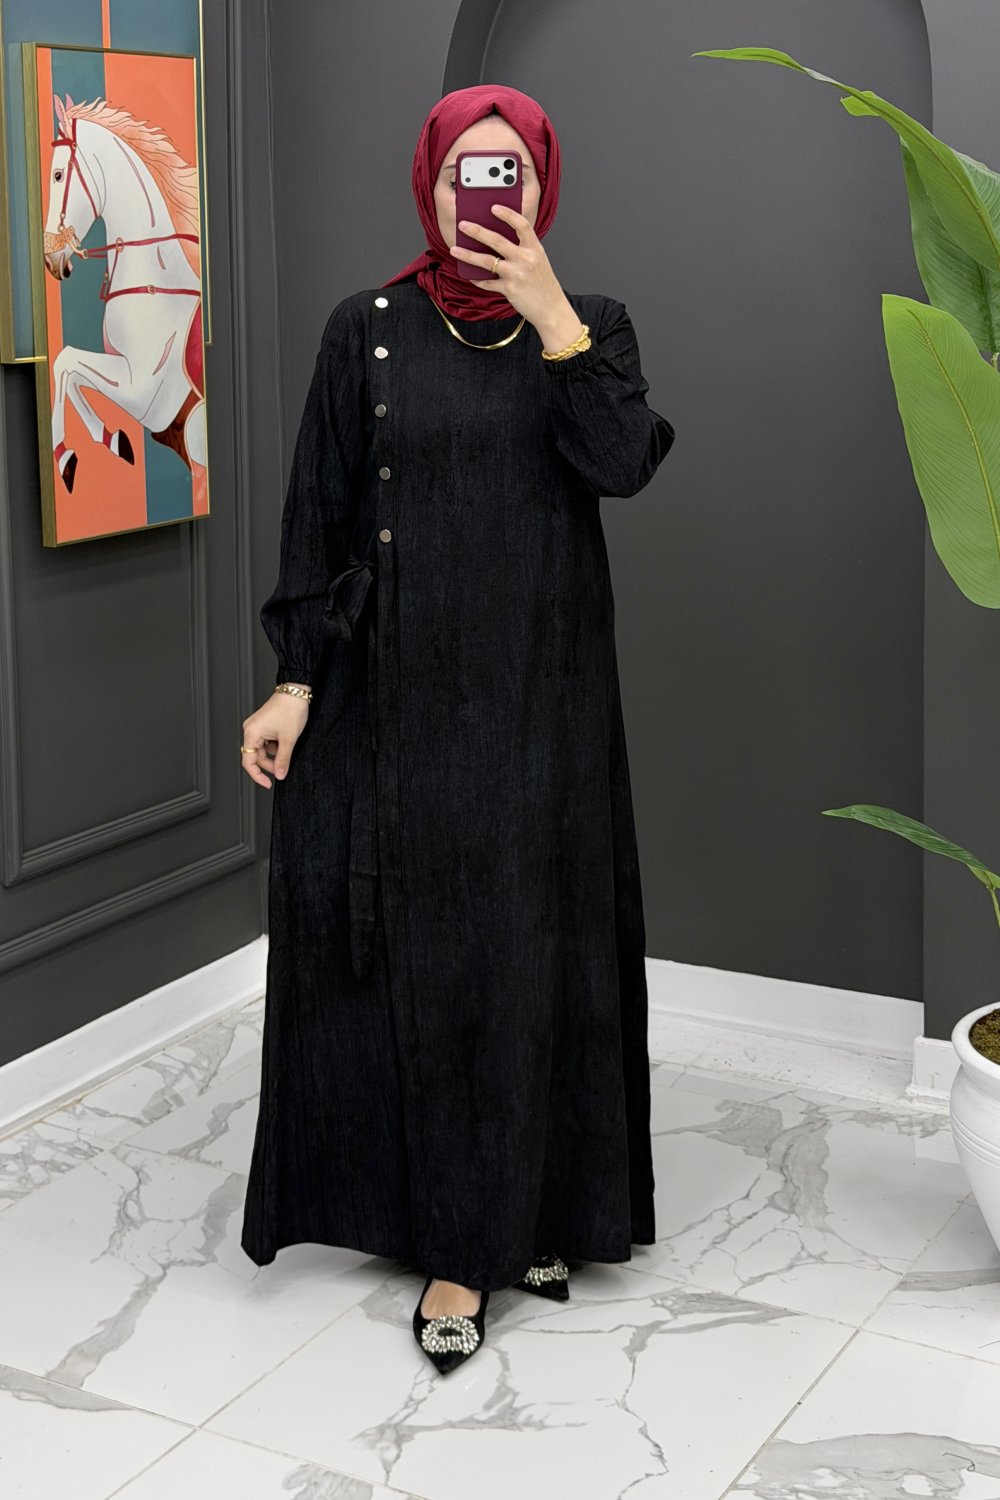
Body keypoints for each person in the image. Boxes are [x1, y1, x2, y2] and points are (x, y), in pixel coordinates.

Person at [238, 83, 676, 1375]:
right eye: (462, 175)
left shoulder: (592, 322)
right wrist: (295, 681)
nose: (486, 196)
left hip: (545, 700)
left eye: (509, 174)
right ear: (427, 186)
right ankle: (454, 1241)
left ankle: (536, 1213)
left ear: (543, 187)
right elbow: (318, 512)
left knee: (537, 950)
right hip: (400, 700)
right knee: (429, 960)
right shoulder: (365, 330)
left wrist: (551, 316)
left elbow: (623, 464)